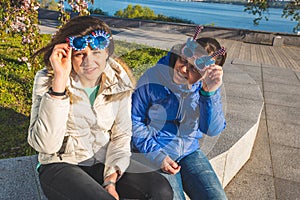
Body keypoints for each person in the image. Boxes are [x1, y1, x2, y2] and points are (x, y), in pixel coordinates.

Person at [28, 16, 173, 200]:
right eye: (80, 54)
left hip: (103, 161)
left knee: (161, 190)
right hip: (60, 164)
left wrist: (110, 180)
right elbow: (45, 145)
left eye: (96, 52)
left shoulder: (119, 80)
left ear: (107, 52)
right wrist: (59, 84)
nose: (89, 62)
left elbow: (121, 135)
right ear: (69, 54)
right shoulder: (47, 79)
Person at [131, 28, 228, 200]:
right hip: (158, 148)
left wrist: (209, 93)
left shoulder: (206, 88)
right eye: (183, 60)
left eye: (194, 69)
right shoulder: (153, 77)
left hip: (190, 151)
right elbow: (134, 121)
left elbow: (212, 130)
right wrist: (156, 156)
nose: (183, 69)